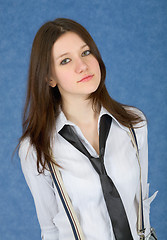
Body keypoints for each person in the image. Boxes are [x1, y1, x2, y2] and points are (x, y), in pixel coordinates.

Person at [19, 18, 157, 240]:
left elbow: (142, 208)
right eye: (65, 60)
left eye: (85, 53)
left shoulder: (133, 124)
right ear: (49, 78)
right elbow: (50, 230)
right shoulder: (35, 148)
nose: (82, 66)